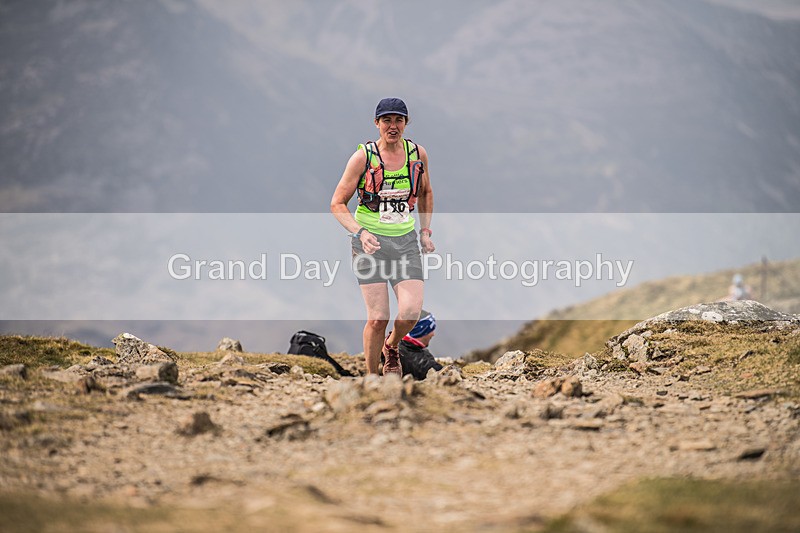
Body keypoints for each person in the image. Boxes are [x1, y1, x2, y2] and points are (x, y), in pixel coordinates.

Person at [330, 98, 435, 377]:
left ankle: (391, 347)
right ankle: (372, 378)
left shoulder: (417, 154)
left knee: (411, 312)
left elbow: (425, 192)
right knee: (378, 318)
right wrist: (360, 233)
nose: (393, 126)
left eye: (398, 120)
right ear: (377, 123)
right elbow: (337, 203)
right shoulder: (363, 157)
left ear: (406, 123)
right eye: (387, 120)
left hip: (405, 242)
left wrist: (425, 231)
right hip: (370, 243)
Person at [398, 310, 443, 380]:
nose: (433, 334)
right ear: (421, 331)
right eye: (430, 330)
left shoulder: (388, 347)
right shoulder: (425, 365)